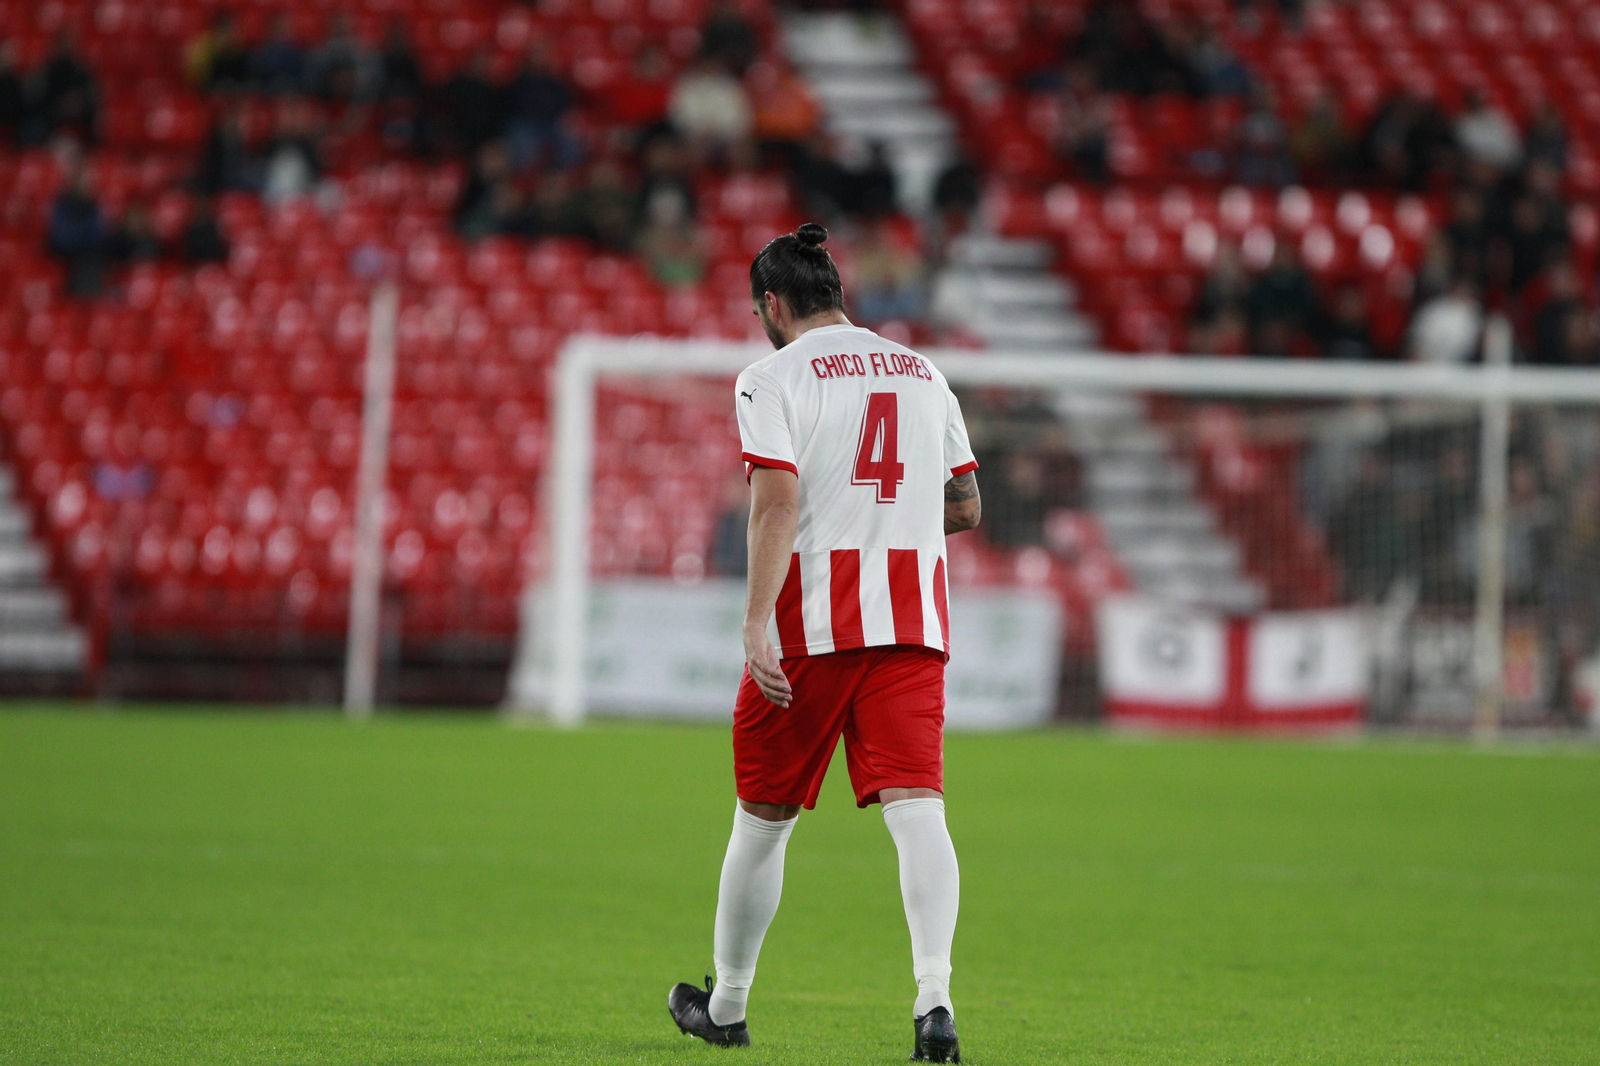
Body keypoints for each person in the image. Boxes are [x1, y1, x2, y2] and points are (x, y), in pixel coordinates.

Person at [667, 223, 981, 1064]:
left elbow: (774, 504)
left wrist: (755, 618)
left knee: (763, 818)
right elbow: (966, 507)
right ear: (837, 292)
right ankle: (935, 1001)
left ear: (773, 304)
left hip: (815, 622)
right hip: (913, 624)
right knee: (919, 813)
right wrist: (895, 523)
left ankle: (727, 1006)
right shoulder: (924, 371)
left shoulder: (771, 375)